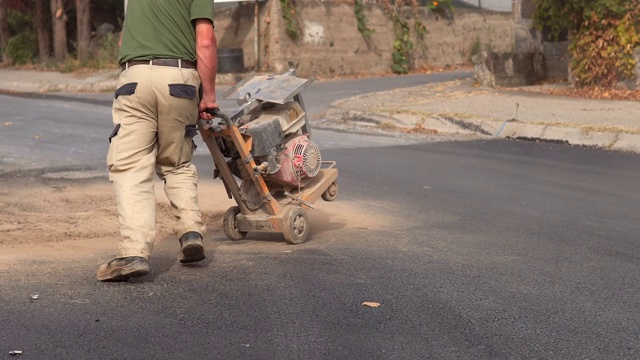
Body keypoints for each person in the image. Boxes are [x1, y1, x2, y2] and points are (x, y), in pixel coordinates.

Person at [97, 0, 219, 282]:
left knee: (130, 167)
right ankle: (191, 233)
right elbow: (205, 40)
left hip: (134, 79)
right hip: (179, 79)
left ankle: (134, 252)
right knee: (177, 162)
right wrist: (209, 95)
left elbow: (124, 40)